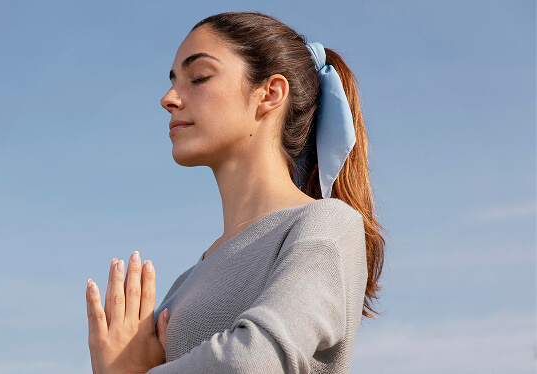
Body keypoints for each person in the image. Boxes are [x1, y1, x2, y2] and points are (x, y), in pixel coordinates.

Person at [85, 11, 385, 374]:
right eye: (173, 81)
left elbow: (254, 360)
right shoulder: (184, 284)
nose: (168, 98)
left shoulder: (327, 225)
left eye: (198, 78)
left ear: (270, 94)